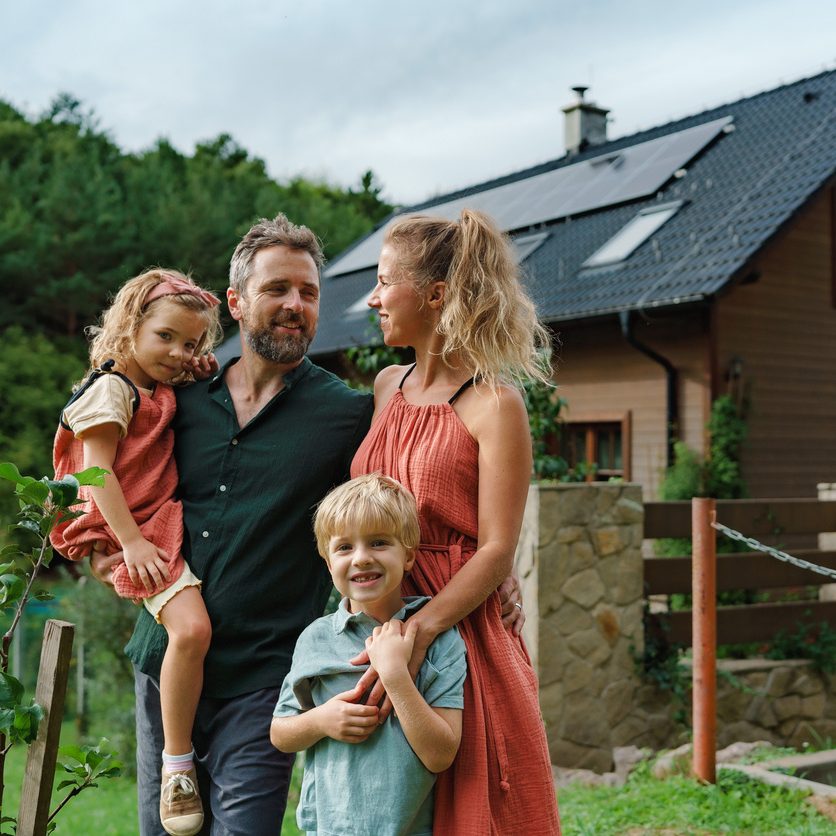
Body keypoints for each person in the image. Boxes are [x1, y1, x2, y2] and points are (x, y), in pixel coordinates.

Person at [91, 215, 375, 835]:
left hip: (264, 675)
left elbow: (399, 503)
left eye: (308, 292)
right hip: (164, 663)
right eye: (277, 289)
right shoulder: (172, 401)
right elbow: (98, 470)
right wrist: (102, 549)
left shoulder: (348, 414)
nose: (294, 305)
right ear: (237, 301)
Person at [351, 209, 561, 834]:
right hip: (379, 621)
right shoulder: (388, 385)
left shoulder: (495, 404)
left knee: (474, 809)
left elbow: (497, 549)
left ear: (436, 294)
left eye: (386, 281)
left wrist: (419, 633)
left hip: (460, 634)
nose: (373, 297)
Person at [52, 269, 223, 836]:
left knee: (191, 631)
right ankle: (178, 767)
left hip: (153, 520)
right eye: (166, 337)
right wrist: (128, 543)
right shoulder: (111, 389)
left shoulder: (154, 384)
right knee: (192, 631)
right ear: (129, 327)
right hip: (130, 525)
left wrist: (197, 368)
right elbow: (95, 472)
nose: (178, 352)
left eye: (192, 343)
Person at [271, 473, 466, 836]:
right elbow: (280, 733)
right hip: (328, 828)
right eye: (344, 548)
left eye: (378, 543)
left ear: (408, 556)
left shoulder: (441, 640)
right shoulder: (315, 639)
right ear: (328, 563)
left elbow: (440, 755)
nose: (361, 558)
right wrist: (320, 721)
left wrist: (394, 675)